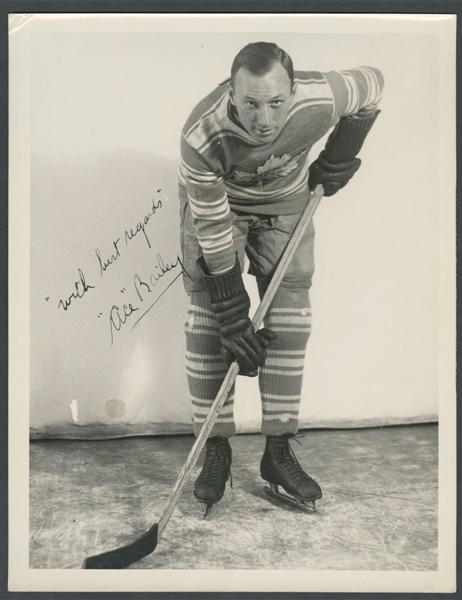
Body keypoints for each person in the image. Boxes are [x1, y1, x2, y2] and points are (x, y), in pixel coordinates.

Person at [178, 41, 384, 515]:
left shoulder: (321, 96)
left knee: (290, 319)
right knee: (209, 323)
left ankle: (278, 449)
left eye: (277, 102)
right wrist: (233, 313)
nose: (265, 119)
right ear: (231, 92)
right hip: (218, 208)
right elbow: (211, 227)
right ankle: (216, 448)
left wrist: (341, 151)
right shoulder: (200, 135)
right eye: (250, 103)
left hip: (287, 204)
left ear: (294, 92)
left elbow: (374, 83)